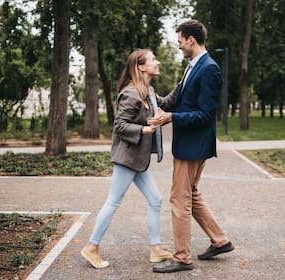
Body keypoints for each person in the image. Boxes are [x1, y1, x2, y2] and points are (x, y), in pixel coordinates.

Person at [150, 19, 234, 273]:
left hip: (193, 146)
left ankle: (182, 257)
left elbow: (206, 115)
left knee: (179, 200)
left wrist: (171, 118)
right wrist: (150, 93)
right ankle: (220, 241)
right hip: (191, 144)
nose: (179, 47)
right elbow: (174, 100)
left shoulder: (209, 68)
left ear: (191, 40)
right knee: (192, 194)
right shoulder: (192, 66)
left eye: (179, 42)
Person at [80, 49, 172, 269]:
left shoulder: (147, 91)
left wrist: (185, 83)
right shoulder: (131, 93)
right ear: (140, 67)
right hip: (127, 158)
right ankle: (92, 247)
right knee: (113, 201)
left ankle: (156, 250)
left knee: (155, 200)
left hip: (138, 159)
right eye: (152, 60)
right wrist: (145, 131)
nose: (157, 62)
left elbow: (165, 104)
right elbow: (120, 126)